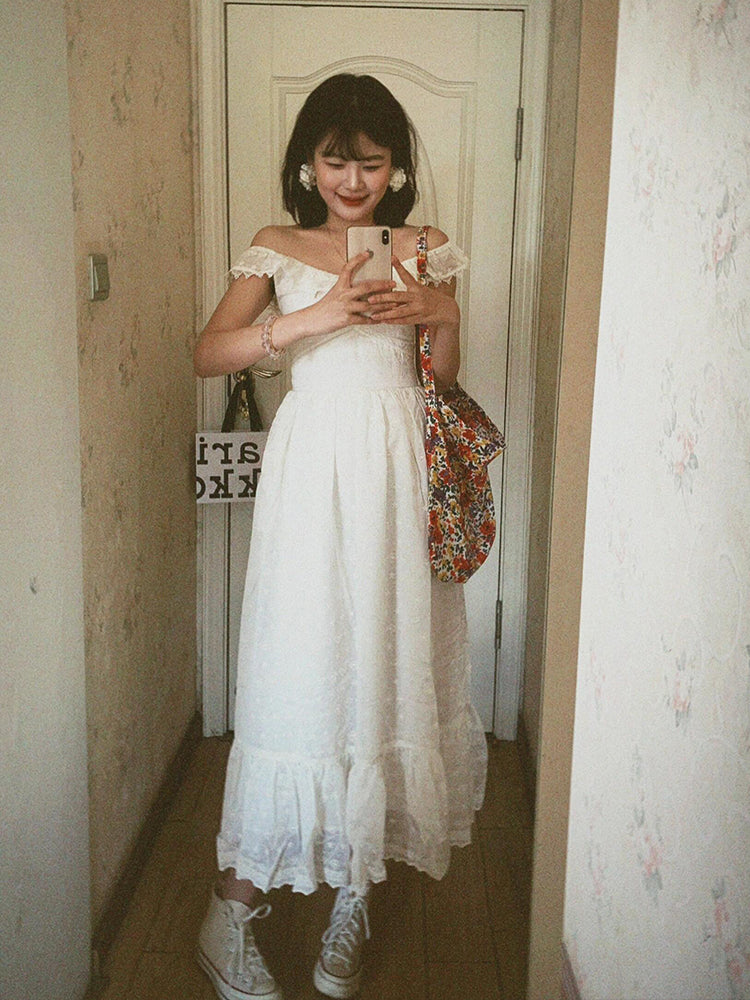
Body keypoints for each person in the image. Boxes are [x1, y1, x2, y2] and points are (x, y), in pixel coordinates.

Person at [194, 73, 487, 1000]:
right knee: (301, 667)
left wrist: (440, 315)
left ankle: (356, 887)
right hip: (312, 471)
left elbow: (441, 379)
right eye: (335, 161)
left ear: (396, 168)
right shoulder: (276, 245)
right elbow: (208, 351)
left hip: (400, 470)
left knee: (388, 663)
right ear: (307, 164)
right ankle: (230, 911)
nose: (353, 182)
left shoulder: (426, 246)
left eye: (371, 163)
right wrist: (309, 319)